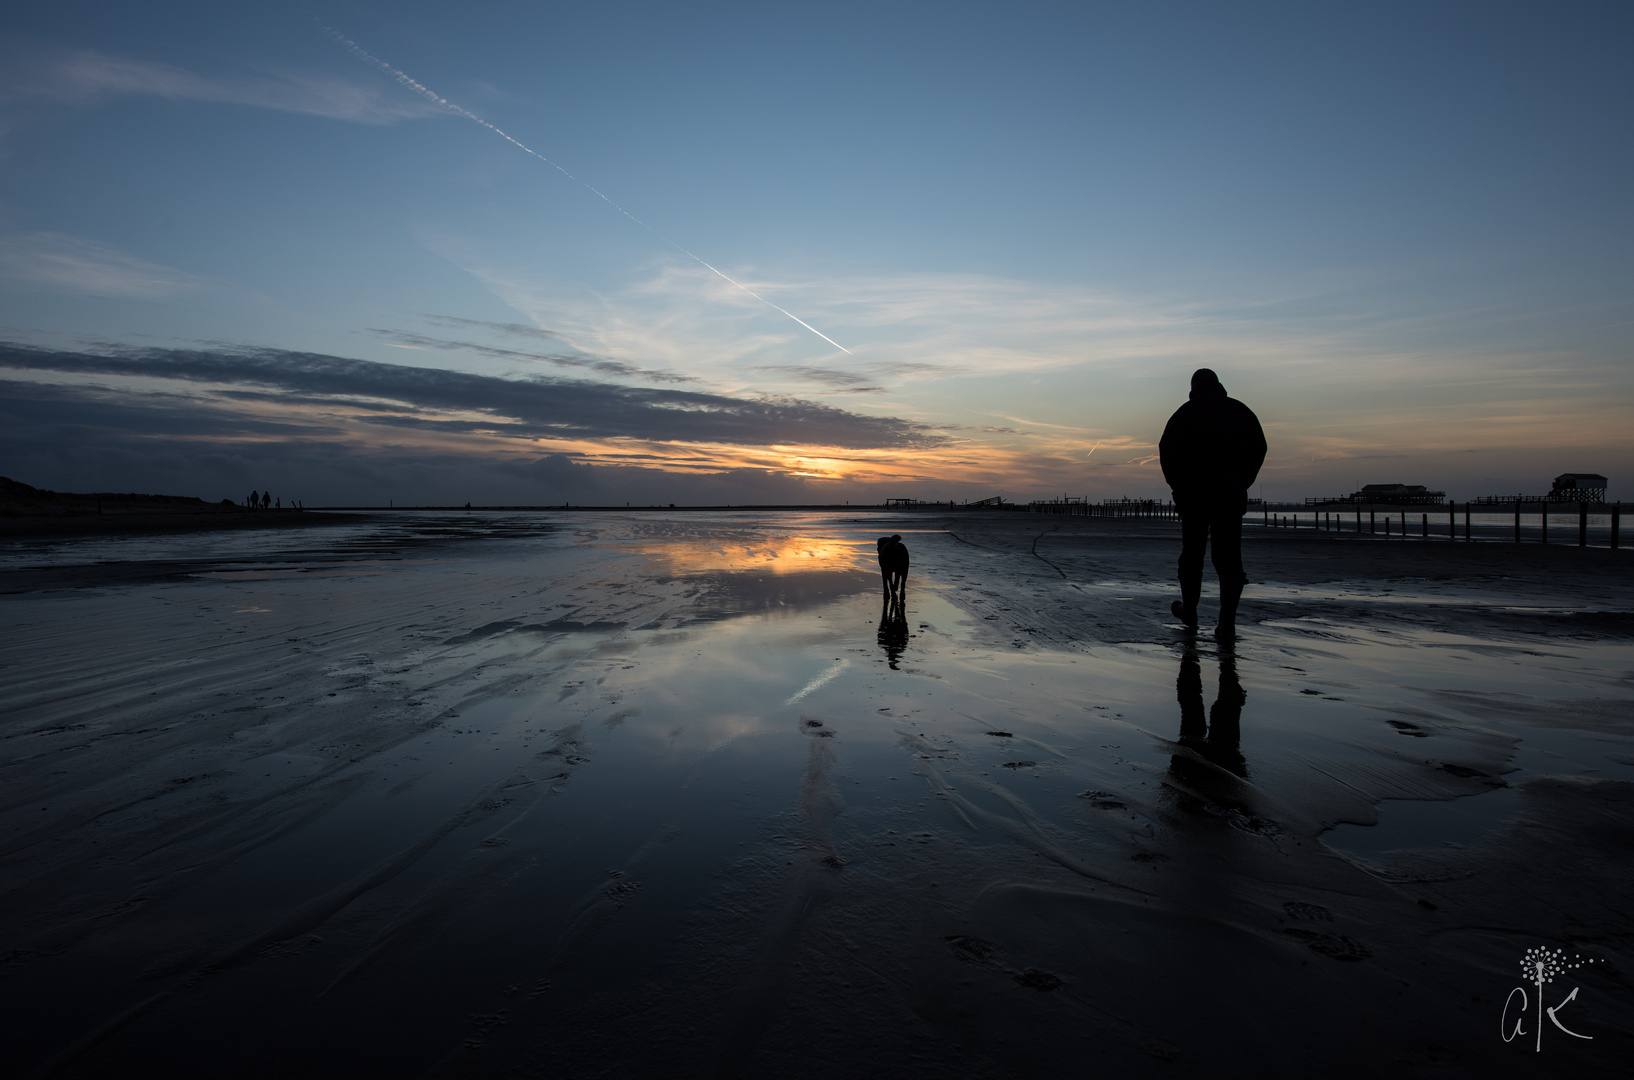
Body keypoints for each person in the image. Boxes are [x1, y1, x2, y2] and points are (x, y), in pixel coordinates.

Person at [1158, 368, 1266, 639]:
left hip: (1193, 494)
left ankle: (1190, 609)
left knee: (1192, 553)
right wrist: (1241, 481)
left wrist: (1178, 487)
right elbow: (1259, 447)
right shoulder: (1240, 411)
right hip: (1228, 493)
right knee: (1228, 558)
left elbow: (1166, 451)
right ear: (1218, 385)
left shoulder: (1184, 414)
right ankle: (1226, 621)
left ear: (1193, 388)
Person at [876, 534, 909, 604]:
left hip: (889, 561)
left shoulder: (884, 550)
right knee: (901, 571)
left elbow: (885, 570)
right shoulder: (901, 547)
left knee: (886, 573)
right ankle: (901, 592)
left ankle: (888, 592)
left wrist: (893, 583)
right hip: (901, 561)